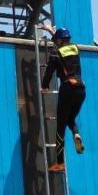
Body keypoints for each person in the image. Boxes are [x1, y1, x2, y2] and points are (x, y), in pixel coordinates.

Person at [40, 25, 85, 172]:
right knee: (70, 119)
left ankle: (60, 163)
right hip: (81, 90)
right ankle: (76, 133)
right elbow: (62, 45)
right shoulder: (75, 48)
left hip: (67, 89)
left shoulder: (55, 52)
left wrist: (44, 86)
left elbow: (49, 71)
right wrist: (51, 31)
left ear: (59, 40)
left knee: (60, 127)